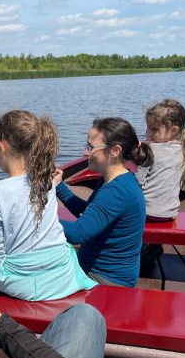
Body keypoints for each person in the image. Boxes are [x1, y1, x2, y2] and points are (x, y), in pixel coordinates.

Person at [0, 110, 96, 300]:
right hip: (62, 275)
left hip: (23, 285)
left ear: (1, 147)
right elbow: (27, 210)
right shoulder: (45, 182)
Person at [54, 117, 154, 287]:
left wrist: (35, 219)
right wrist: (58, 187)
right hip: (96, 271)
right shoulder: (114, 179)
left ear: (115, 151)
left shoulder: (117, 192)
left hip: (106, 280)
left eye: (91, 147)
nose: (85, 152)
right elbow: (89, 214)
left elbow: (79, 232)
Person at [136, 98, 185, 222]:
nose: (149, 132)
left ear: (173, 130)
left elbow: (136, 181)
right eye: (148, 128)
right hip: (169, 214)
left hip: (145, 212)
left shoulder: (150, 150)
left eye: (154, 129)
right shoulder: (184, 150)